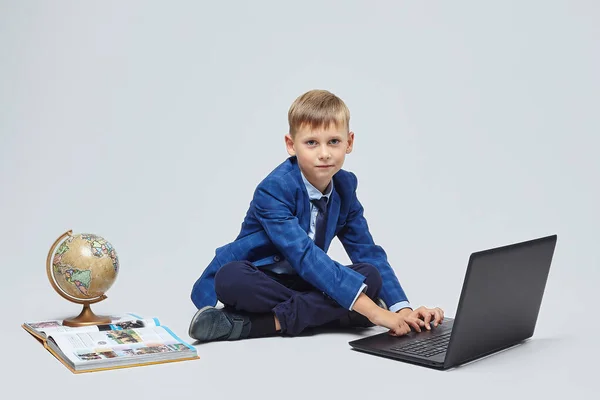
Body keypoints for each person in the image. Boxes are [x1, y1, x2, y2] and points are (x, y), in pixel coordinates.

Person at [189, 89, 444, 342]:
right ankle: (343, 313)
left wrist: (404, 311)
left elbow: (367, 251)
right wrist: (375, 312)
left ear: (349, 142)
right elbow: (303, 255)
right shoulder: (274, 188)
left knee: (370, 275)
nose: (324, 153)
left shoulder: (345, 188)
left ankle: (262, 324)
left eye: (334, 141)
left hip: (306, 280)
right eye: (311, 142)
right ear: (291, 145)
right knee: (231, 278)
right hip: (262, 277)